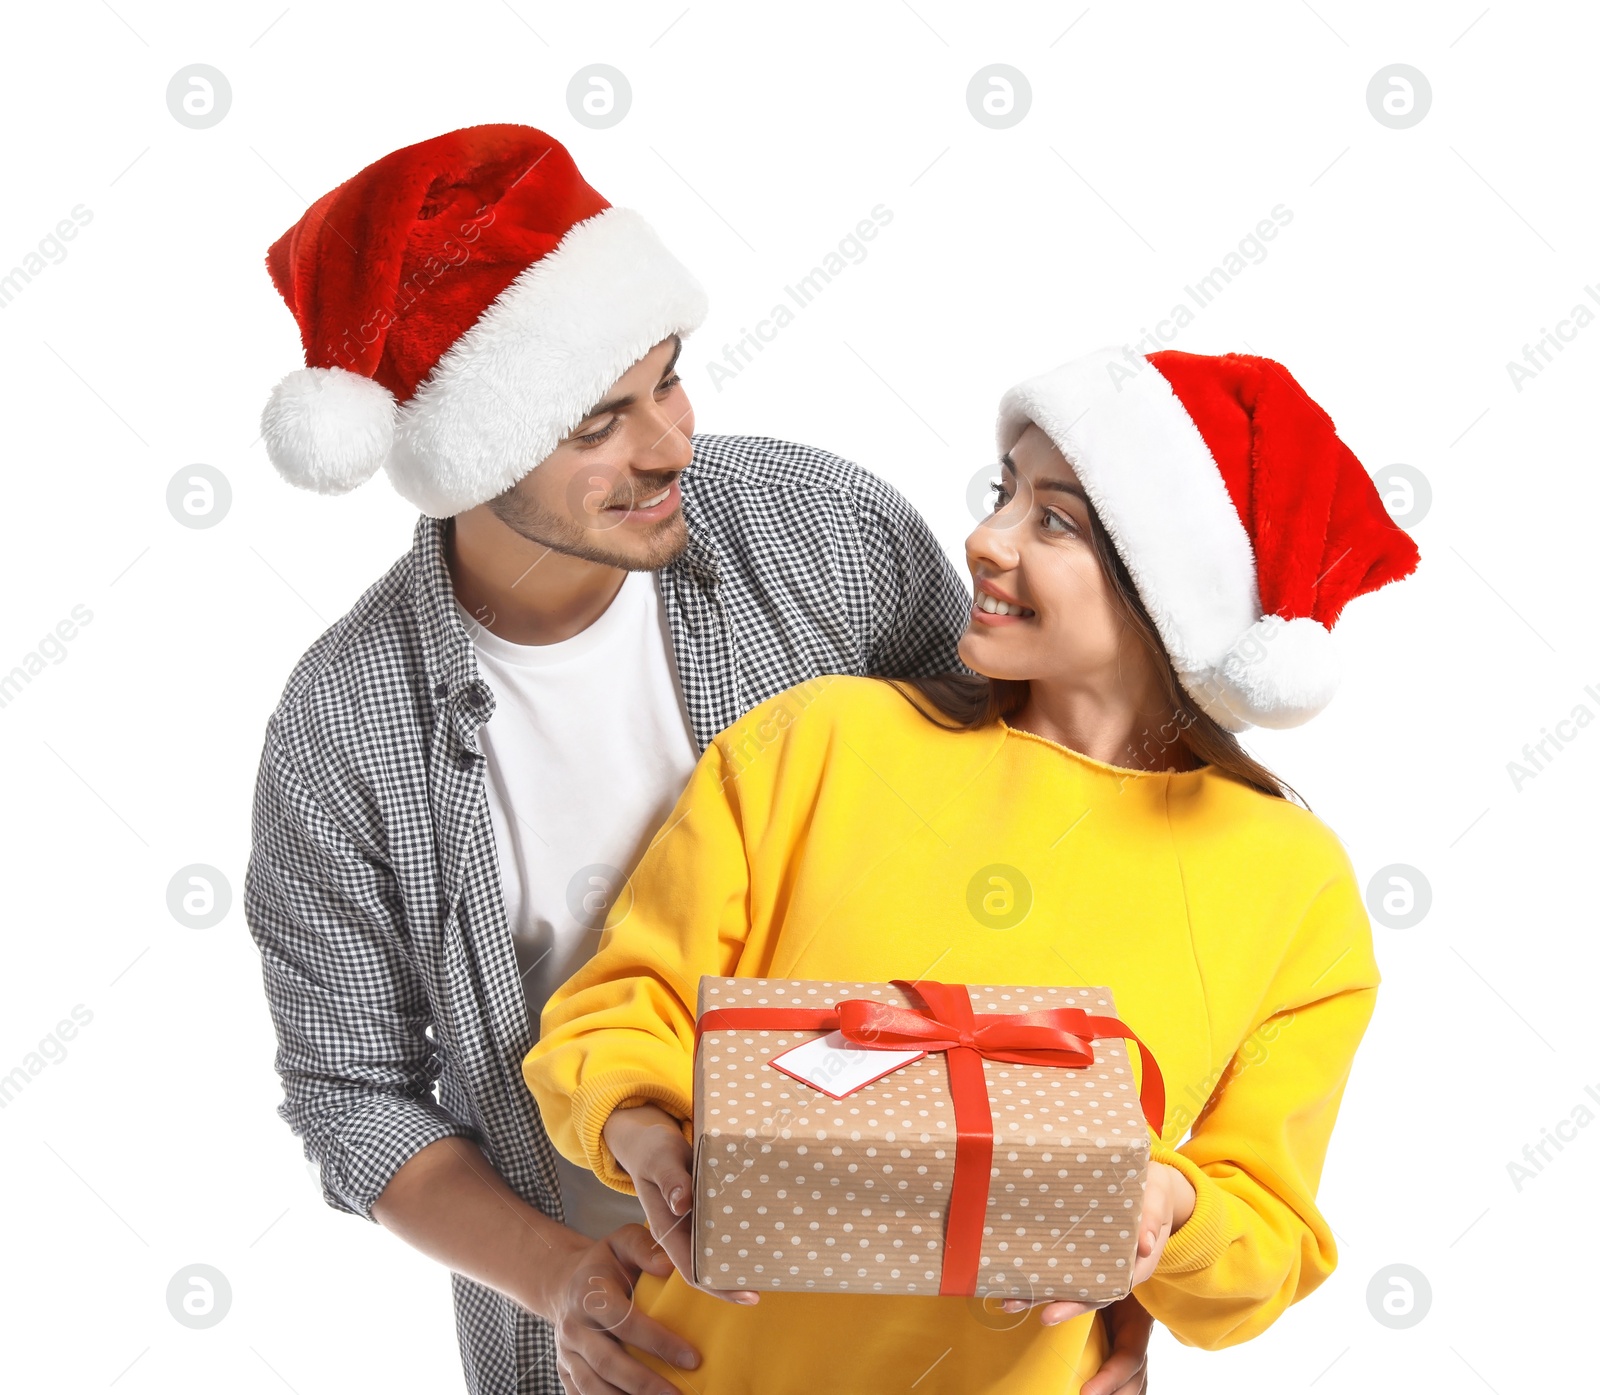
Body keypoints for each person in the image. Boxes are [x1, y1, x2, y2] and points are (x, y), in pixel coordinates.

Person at [241, 124, 1153, 1395]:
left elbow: (1040, 867)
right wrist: (562, 1278)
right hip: (627, 1359)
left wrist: (1111, 1260)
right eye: (598, 422)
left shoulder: (822, 532)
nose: (671, 444)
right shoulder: (346, 728)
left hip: (945, 1330)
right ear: (468, 452)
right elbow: (353, 1094)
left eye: (667, 380)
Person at [525, 346, 1421, 1394]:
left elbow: (1265, 1239)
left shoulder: (1289, 880)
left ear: (1170, 587)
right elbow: (624, 1005)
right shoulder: (819, 743)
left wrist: (1164, 1213)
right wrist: (639, 1128)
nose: (984, 540)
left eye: (1054, 520)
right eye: (1003, 494)